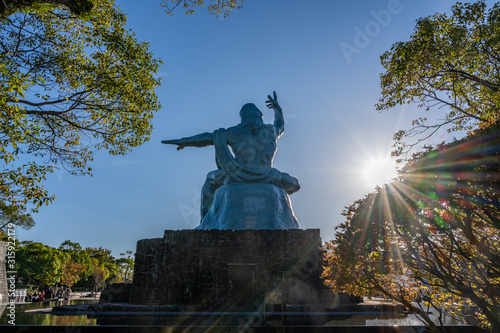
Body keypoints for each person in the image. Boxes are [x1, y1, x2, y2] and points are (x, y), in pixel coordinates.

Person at [162, 92, 300, 219]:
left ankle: (204, 221)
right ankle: (205, 222)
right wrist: (277, 109)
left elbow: (207, 138)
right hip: (266, 176)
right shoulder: (270, 131)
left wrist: (183, 142)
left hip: (238, 176)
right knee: (294, 184)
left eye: (252, 116)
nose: (251, 119)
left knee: (210, 180)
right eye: (250, 116)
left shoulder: (234, 131)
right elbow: (280, 125)